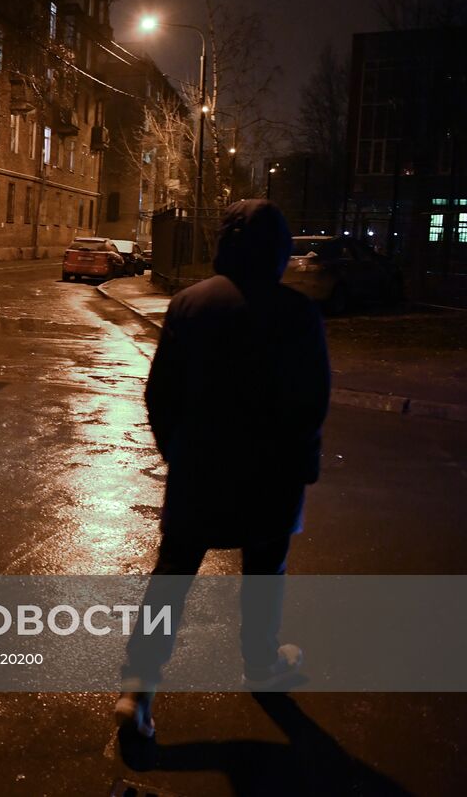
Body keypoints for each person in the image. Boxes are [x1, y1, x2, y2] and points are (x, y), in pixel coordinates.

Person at [115, 199, 331, 738]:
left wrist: (179, 453)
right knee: (264, 576)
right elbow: (311, 401)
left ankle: (138, 685)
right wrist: (303, 466)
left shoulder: (189, 305)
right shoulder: (298, 313)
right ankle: (260, 663)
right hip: (271, 477)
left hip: (200, 471)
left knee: (171, 579)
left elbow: (159, 393)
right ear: (280, 251)